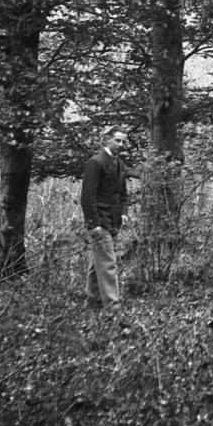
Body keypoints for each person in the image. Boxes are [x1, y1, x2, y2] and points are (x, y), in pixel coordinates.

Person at [80, 126, 130, 311]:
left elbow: (122, 193)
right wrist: (94, 225)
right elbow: (87, 197)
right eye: (117, 140)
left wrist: (124, 213)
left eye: (124, 141)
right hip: (99, 222)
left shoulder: (120, 164)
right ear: (107, 140)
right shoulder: (96, 162)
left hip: (113, 221)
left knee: (97, 262)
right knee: (108, 263)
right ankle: (113, 307)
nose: (121, 144)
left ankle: (92, 301)